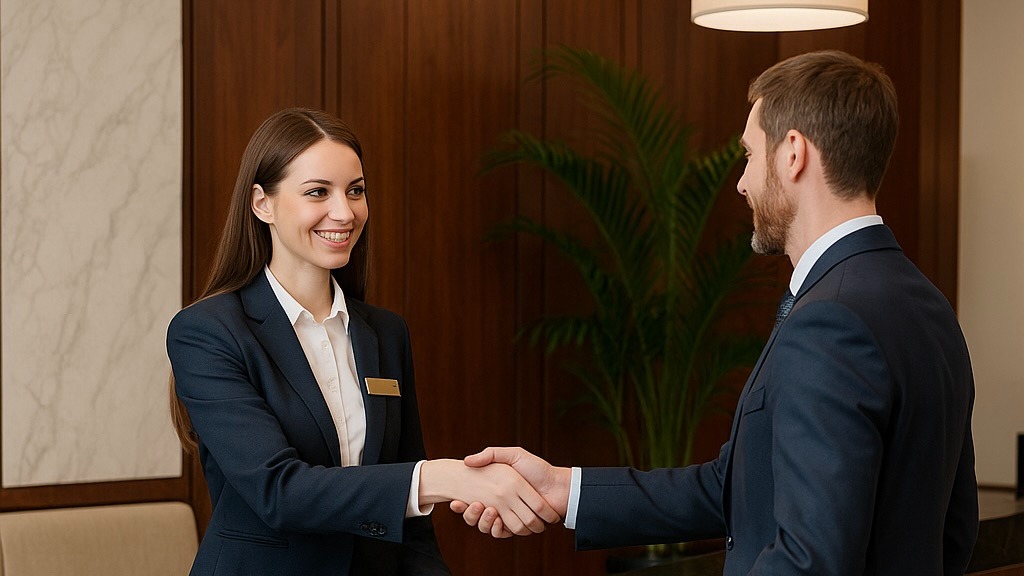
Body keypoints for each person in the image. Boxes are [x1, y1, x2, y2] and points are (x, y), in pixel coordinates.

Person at [453, 50, 979, 575]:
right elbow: (953, 532)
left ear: (793, 153)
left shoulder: (829, 322)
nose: (741, 182)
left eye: (749, 154)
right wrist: (563, 488)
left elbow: (809, 562)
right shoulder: (930, 308)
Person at [167, 108, 558, 576]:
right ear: (261, 203)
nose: (345, 212)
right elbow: (280, 492)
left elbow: (409, 525)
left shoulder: (386, 333)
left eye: (355, 190)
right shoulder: (207, 332)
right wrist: (443, 477)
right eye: (318, 192)